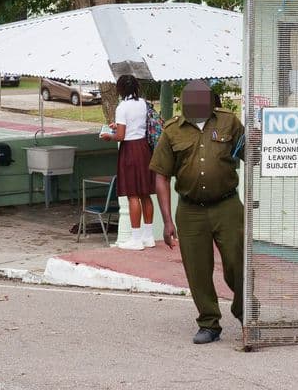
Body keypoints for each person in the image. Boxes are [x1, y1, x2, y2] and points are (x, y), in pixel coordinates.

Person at [150, 79, 245, 344]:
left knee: (238, 262)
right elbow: (160, 175)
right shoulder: (172, 131)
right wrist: (167, 221)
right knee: (197, 269)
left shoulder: (229, 123)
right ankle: (209, 322)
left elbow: (252, 154)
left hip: (227, 206)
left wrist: (261, 138)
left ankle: (244, 309)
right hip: (190, 211)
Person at [100, 74, 156, 250]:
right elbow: (137, 125)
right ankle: (149, 237)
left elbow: (121, 136)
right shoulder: (142, 103)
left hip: (130, 150)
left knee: (133, 194)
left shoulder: (122, 107)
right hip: (144, 148)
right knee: (145, 194)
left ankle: (136, 239)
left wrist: (110, 136)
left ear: (121, 89)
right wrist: (119, 126)